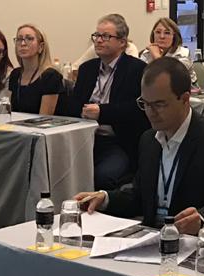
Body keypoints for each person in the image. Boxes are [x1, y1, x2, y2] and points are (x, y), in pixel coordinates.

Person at [75, 57, 204, 239]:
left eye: (159, 104)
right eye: (145, 104)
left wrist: (202, 218)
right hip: (156, 240)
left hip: (200, 244)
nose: (150, 112)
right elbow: (140, 194)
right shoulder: (149, 140)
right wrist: (105, 198)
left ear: (185, 99)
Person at [57, 15, 150, 190]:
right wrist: (82, 111)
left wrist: (102, 112)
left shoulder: (137, 69)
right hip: (83, 140)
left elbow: (138, 109)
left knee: (102, 176)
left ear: (122, 42)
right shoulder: (87, 69)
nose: (98, 41)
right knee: (58, 169)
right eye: (97, 36)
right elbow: (73, 105)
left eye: (106, 36)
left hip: (117, 141)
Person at [7, 24, 65, 115]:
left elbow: (44, 117)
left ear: (40, 47)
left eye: (29, 39)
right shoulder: (15, 74)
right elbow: (10, 112)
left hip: (40, 123)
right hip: (15, 123)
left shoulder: (51, 76)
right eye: (19, 39)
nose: (23, 44)